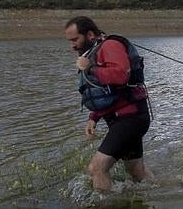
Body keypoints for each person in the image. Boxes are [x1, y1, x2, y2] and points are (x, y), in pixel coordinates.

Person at [64, 16, 153, 192]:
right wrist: (94, 118)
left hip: (130, 118)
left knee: (97, 168)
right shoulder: (94, 51)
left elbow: (121, 75)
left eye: (75, 39)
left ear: (90, 34)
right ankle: (176, 187)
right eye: (70, 41)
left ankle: (107, 203)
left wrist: (90, 68)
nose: (72, 45)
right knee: (137, 173)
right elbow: (105, 91)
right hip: (124, 118)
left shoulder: (110, 46)